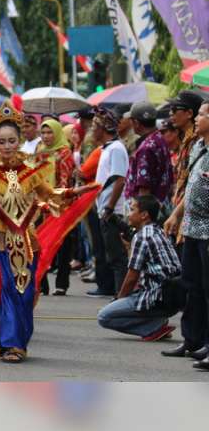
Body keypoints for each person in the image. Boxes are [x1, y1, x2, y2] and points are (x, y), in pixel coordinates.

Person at [0, 97, 98, 362]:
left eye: (12, 141)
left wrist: (74, 191)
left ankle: (19, 341)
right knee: (6, 291)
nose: (8, 146)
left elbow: (50, 195)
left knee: (25, 294)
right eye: (2, 142)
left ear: (20, 140)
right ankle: (9, 344)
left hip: (26, 241)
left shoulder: (32, 169)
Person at [162, 100, 209, 367]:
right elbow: (191, 187)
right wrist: (175, 215)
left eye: (202, 115)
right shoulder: (199, 148)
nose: (198, 119)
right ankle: (193, 340)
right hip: (192, 228)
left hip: (208, 231)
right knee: (193, 286)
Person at [97, 195, 182, 341]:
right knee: (123, 303)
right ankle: (156, 324)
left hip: (157, 298)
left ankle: (153, 327)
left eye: (132, 210)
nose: (128, 214)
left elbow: (132, 276)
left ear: (144, 215)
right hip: (175, 298)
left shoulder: (142, 237)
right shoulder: (159, 231)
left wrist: (119, 299)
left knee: (104, 317)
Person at [88, 108, 129, 298]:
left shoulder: (116, 149)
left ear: (103, 128)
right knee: (110, 253)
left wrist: (110, 207)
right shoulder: (107, 149)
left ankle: (121, 295)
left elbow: (119, 180)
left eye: (95, 126)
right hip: (104, 208)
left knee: (117, 256)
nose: (91, 130)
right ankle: (116, 291)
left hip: (113, 210)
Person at [38, 119, 76, 296]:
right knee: (39, 243)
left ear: (57, 133)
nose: (46, 136)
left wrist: (57, 201)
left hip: (61, 204)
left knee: (62, 245)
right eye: (43, 132)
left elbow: (65, 180)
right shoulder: (39, 151)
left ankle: (62, 283)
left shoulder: (64, 152)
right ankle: (41, 283)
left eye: (49, 132)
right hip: (40, 205)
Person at [123, 101, 174, 206]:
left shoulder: (146, 148)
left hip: (146, 212)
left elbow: (144, 189)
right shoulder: (159, 138)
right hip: (161, 203)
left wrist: (140, 214)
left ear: (136, 123)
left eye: (131, 121)